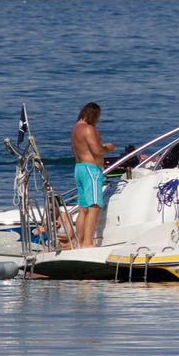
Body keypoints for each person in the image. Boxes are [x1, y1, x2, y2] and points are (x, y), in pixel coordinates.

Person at [71, 102, 115, 250]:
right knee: (94, 206)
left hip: (79, 168)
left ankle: (79, 243)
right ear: (93, 115)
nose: (97, 121)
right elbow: (96, 150)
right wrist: (107, 149)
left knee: (83, 208)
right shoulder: (88, 129)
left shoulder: (76, 128)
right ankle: (88, 243)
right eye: (97, 117)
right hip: (91, 170)